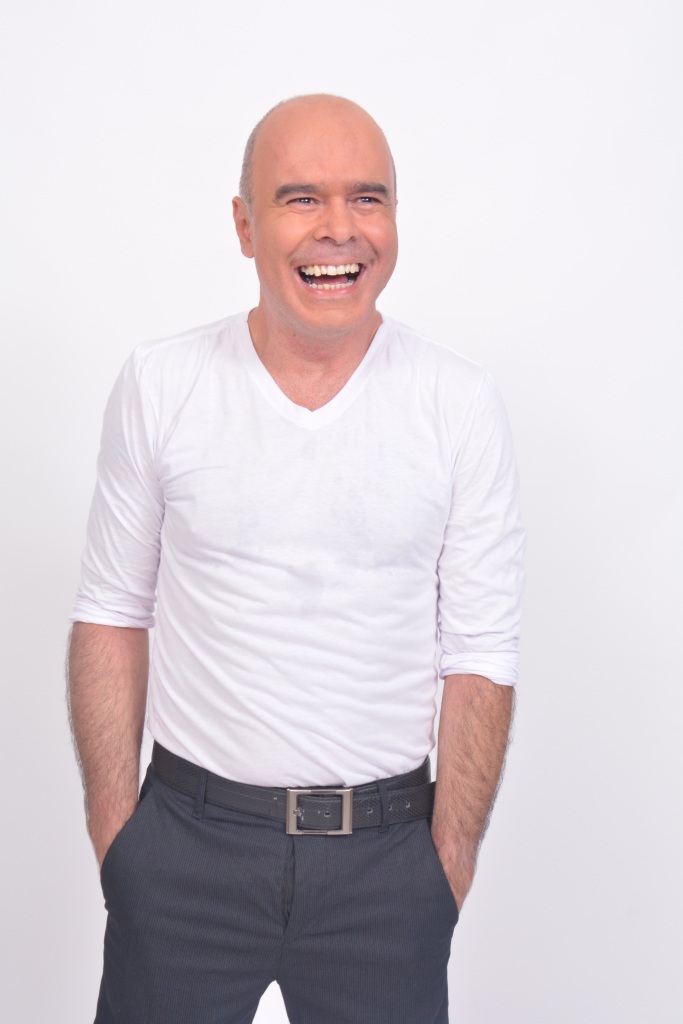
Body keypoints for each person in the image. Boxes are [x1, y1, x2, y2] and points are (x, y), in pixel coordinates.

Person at [68, 93, 524, 1024]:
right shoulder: (163, 383)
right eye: (301, 198)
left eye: (367, 198)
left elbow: (480, 649)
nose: (339, 230)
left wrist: (445, 865)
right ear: (245, 225)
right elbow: (112, 611)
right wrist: (122, 843)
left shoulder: (456, 402)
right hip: (186, 849)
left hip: (385, 866)